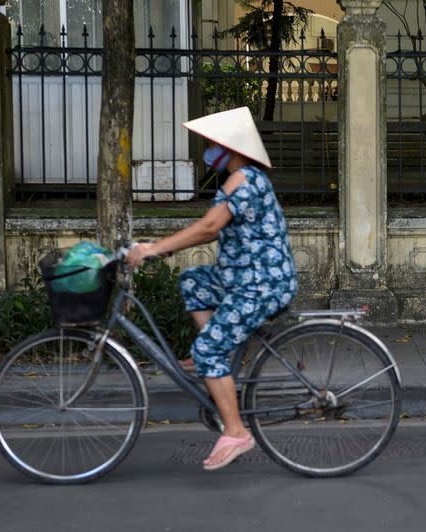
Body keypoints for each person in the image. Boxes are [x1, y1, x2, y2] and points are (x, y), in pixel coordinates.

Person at [126, 107, 298, 470]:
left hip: (261, 285)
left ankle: (236, 430)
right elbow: (211, 227)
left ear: (229, 146)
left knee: (207, 350)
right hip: (241, 278)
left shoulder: (244, 180)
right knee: (193, 281)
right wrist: (161, 245)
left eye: (212, 142)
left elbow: (208, 227)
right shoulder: (239, 179)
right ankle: (219, 356)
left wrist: (154, 249)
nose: (207, 148)